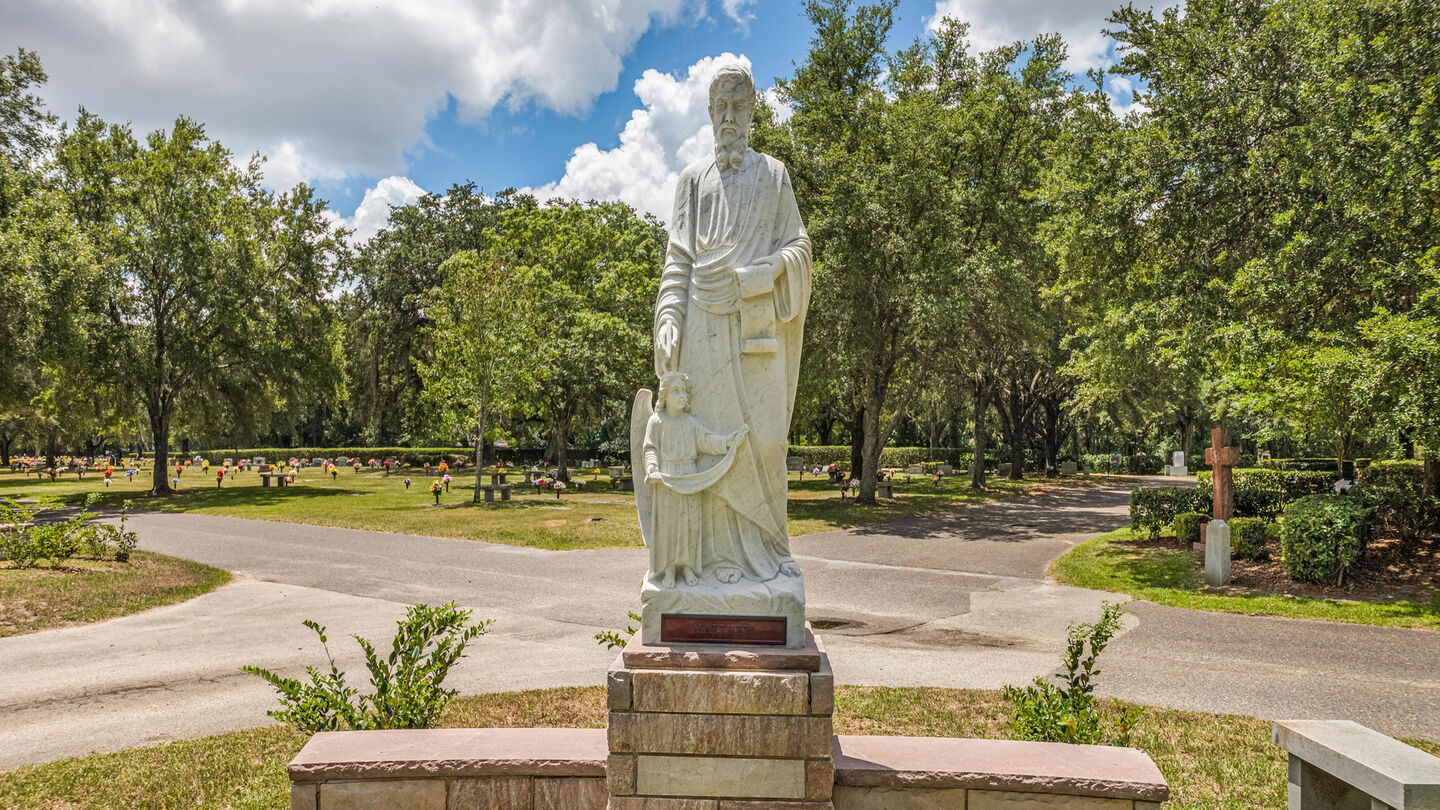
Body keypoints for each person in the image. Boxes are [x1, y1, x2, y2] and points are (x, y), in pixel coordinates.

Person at [641, 61, 812, 586]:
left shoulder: (775, 175)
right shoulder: (692, 181)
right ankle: (708, 565)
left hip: (758, 328)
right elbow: (678, 260)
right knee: (704, 446)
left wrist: (772, 271)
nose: (730, 116)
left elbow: (800, 246)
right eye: (722, 107)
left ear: (753, 111)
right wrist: (669, 316)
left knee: (765, 442)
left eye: (739, 105)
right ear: (710, 114)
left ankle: (767, 555)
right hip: (702, 329)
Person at [643, 371, 748, 588]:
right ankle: (670, 569)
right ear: (664, 395)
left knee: (690, 524)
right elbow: (650, 448)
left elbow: (707, 441)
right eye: (676, 391)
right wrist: (652, 467)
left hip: (690, 479)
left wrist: (729, 441)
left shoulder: (691, 423)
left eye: (684, 391)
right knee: (670, 526)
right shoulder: (657, 422)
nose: (682, 395)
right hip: (667, 480)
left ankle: (688, 567)